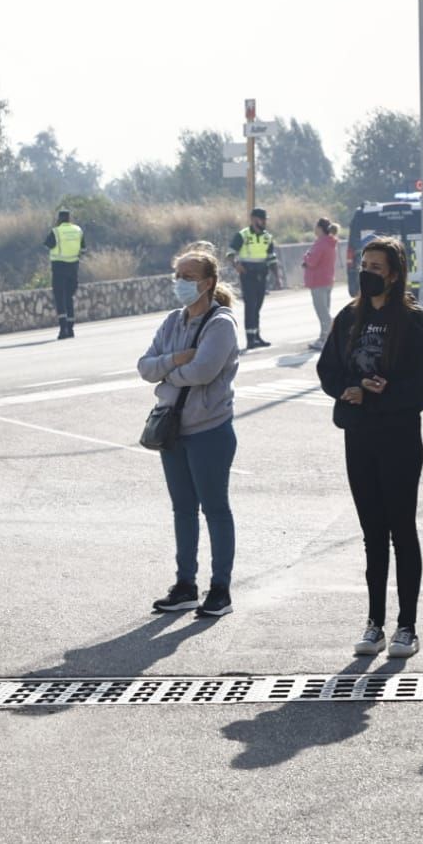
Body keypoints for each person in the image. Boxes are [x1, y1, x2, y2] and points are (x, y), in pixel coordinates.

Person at [317, 237, 423, 659]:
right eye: (363, 264)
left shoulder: (414, 322)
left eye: (376, 266)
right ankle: (375, 623)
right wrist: (350, 389)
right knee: (373, 534)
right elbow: (328, 370)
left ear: (393, 272)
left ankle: (407, 626)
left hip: (400, 437)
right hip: (359, 437)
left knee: (401, 529)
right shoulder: (348, 318)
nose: (367, 272)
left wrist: (377, 395)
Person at [137, 249, 241, 619]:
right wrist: (174, 362)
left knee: (215, 509)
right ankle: (185, 586)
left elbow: (204, 372)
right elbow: (144, 366)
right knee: (183, 509)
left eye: (188, 276)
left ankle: (220, 590)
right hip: (174, 431)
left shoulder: (221, 323)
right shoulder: (172, 321)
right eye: (177, 274)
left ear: (208, 282)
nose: (180, 282)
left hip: (210, 431)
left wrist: (169, 374)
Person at [229, 207, 277, 350]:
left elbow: (271, 258)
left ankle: (257, 336)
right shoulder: (242, 235)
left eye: (265, 219)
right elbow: (230, 252)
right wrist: (236, 264)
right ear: (254, 219)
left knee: (258, 306)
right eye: (262, 219)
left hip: (262, 275)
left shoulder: (267, 237)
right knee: (250, 306)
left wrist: (277, 276)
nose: (264, 222)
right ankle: (250, 339)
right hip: (248, 274)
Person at [44, 208, 85, 340]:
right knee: (69, 298)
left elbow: (47, 245)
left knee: (60, 298)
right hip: (73, 268)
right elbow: (83, 248)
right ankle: (71, 328)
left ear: (60, 219)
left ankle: (63, 329)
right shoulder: (78, 230)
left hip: (59, 268)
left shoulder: (56, 231)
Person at [302, 217, 341, 350]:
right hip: (327, 280)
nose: (314, 229)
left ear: (320, 228)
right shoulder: (331, 242)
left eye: (315, 227)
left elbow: (312, 261)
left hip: (318, 281)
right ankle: (324, 337)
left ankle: (329, 337)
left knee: (322, 312)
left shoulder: (321, 243)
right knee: (325, 310)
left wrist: (306, 256)